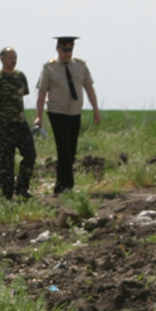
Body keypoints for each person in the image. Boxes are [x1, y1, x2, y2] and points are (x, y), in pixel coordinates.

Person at [34, 36, 101, 194]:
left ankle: (63, 184)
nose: (67, 53)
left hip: (75, 112)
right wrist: (39, 116)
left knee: (71, 150)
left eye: (70, 50)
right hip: (57, 112)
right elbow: (42, 93)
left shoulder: (80, 66)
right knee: (63, 149)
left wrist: (96, 110)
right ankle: (65, 186)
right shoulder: (49, 68)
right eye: (64, 50)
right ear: (58, 49)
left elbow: (89, 88)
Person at [0, 47, 36, 200]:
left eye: (15, 57)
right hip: (5, 126)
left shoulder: (20, 76)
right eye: (10, 57)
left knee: (30, 155)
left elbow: (22, 95)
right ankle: (6, 193)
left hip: (21, 123)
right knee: (7, 160)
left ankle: (22, 188)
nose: (13, 60)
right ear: (2, 59)